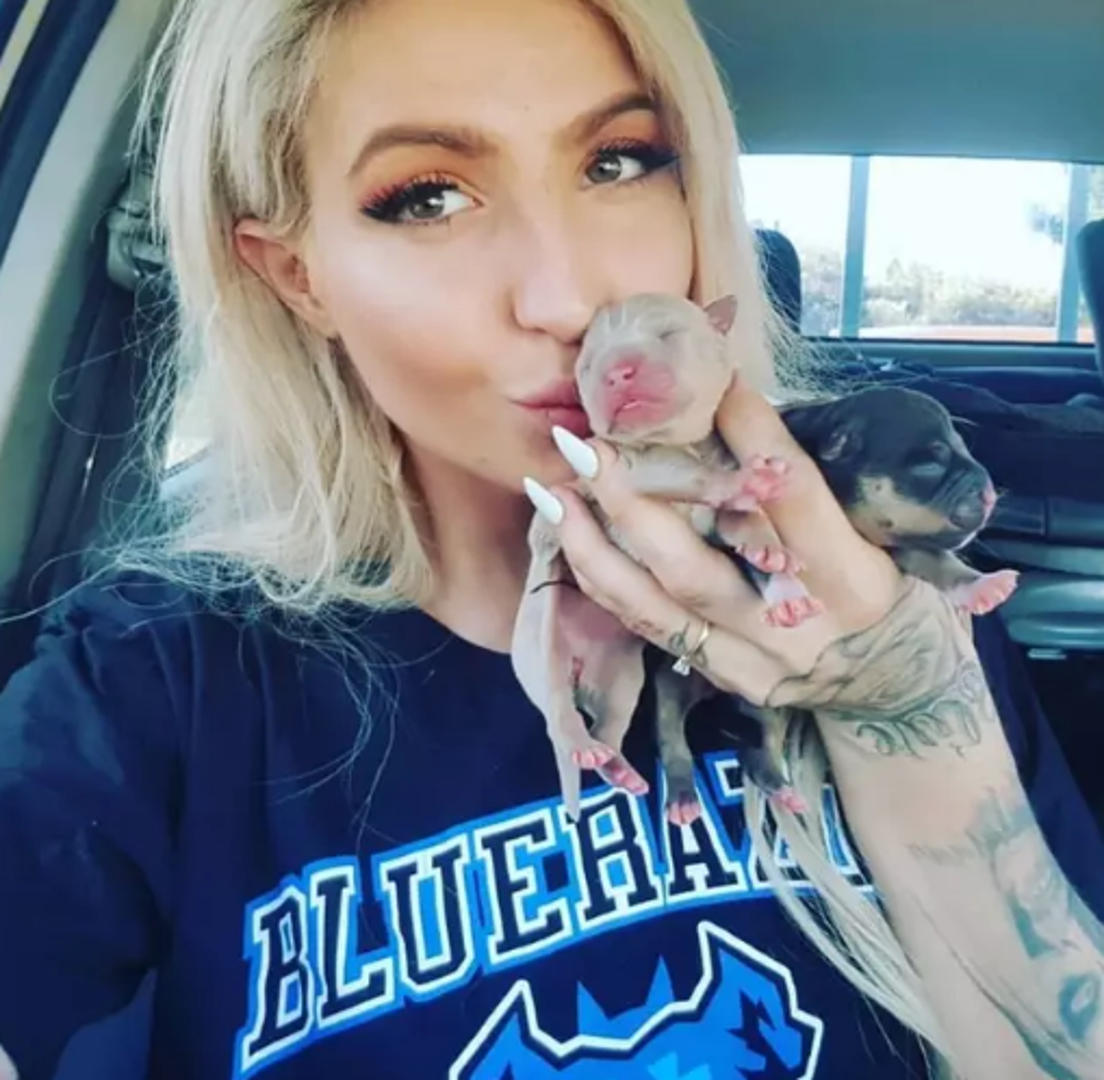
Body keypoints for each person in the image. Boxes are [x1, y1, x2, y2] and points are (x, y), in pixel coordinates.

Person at [1, 0, 1103, 1077]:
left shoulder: (886, 594)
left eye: (620, 162)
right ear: (300, 277)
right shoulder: (149, 683)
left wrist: (909, 717)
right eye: (428, 197)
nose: (570, 299)